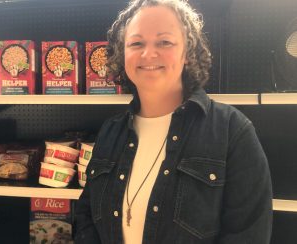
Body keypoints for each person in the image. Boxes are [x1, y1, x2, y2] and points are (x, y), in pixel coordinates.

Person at [75, 0, 273, 243]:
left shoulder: (232, 131)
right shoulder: (110, 132)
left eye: (164, 42)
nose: (148, 53)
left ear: (187, 53)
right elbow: (86, 217)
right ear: (123, 54)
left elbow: (248, 234)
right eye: (136, 43)